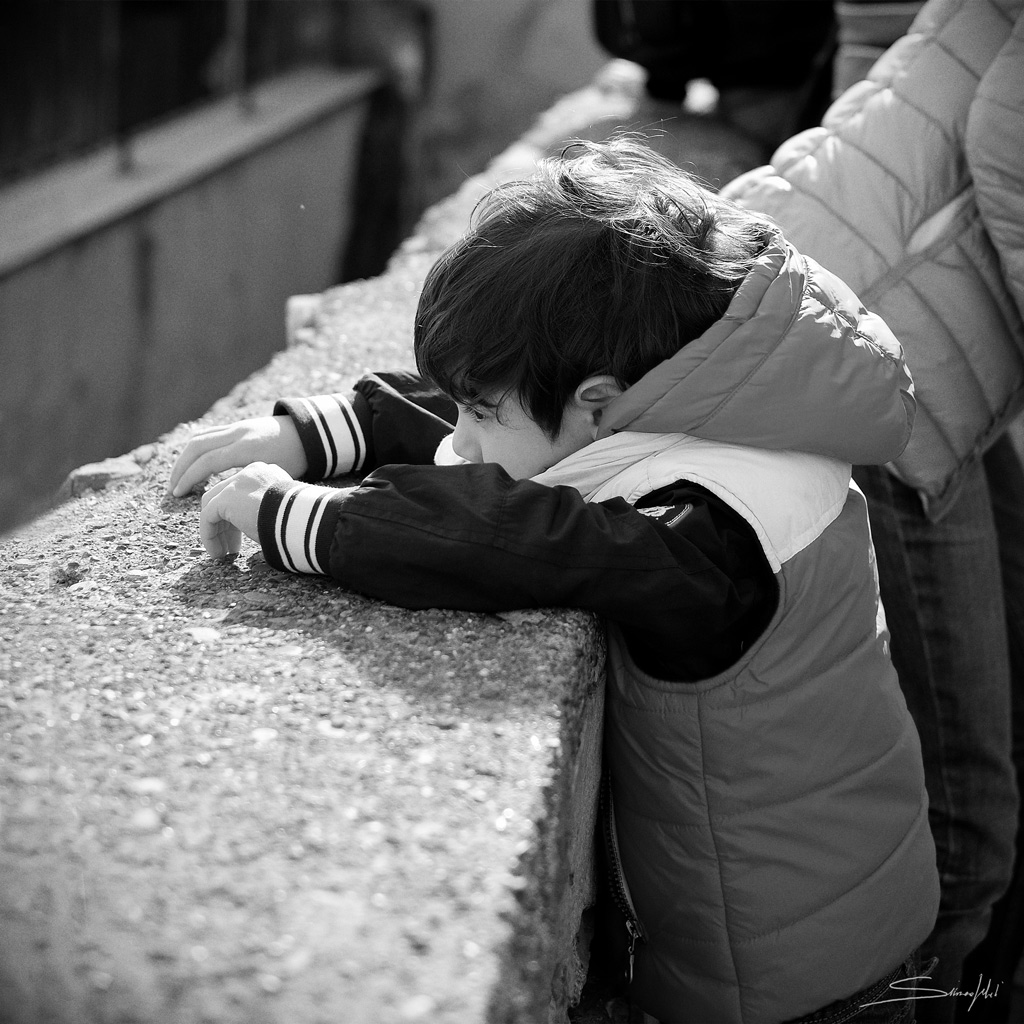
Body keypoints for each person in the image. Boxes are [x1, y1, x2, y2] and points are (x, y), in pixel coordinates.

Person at [170, 139, 938, 1023]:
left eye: (477, 412)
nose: (462, 436)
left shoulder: (710, 534)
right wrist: (331, 427)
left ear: (601, 402)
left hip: (802, 985)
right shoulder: (716, 388)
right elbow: (521, 422)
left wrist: (298, 518)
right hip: (817, 922)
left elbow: (509, 535)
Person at [721, 1, 1024, 1019]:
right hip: (874, 362)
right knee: (962, 834)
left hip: (868, 318)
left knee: (979, 805)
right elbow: (1008, 144)